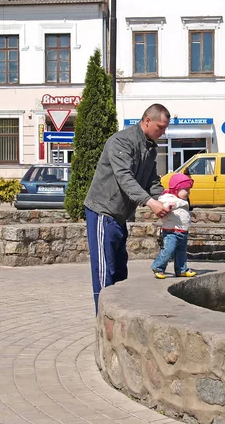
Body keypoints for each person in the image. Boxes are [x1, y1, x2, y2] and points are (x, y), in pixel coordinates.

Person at [84, 103, 171, 314]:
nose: (163, 132)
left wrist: (168, 199)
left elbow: (151, 181)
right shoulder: (122, 141)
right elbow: (125, 178)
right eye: (161, 127)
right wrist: (150, 203)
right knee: (105, 272)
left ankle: (120, 319)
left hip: (120, 216)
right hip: (103, 212)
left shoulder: (150, 148)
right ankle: (103, 321)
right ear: (147, 120)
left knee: (120, 271)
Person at [151, 173, 196, 279]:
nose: (188, 193)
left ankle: (181, 269)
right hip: (172, 232)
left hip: (182, 232)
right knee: (168, 250)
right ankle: (158, 267)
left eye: (189, 190)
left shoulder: (183, 201)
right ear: (177, 189)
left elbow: (181, 213)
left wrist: (189, 214)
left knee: (182, 252)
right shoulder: (169, 199)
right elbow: (164, 206)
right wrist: (169, 207)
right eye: (186, 190)